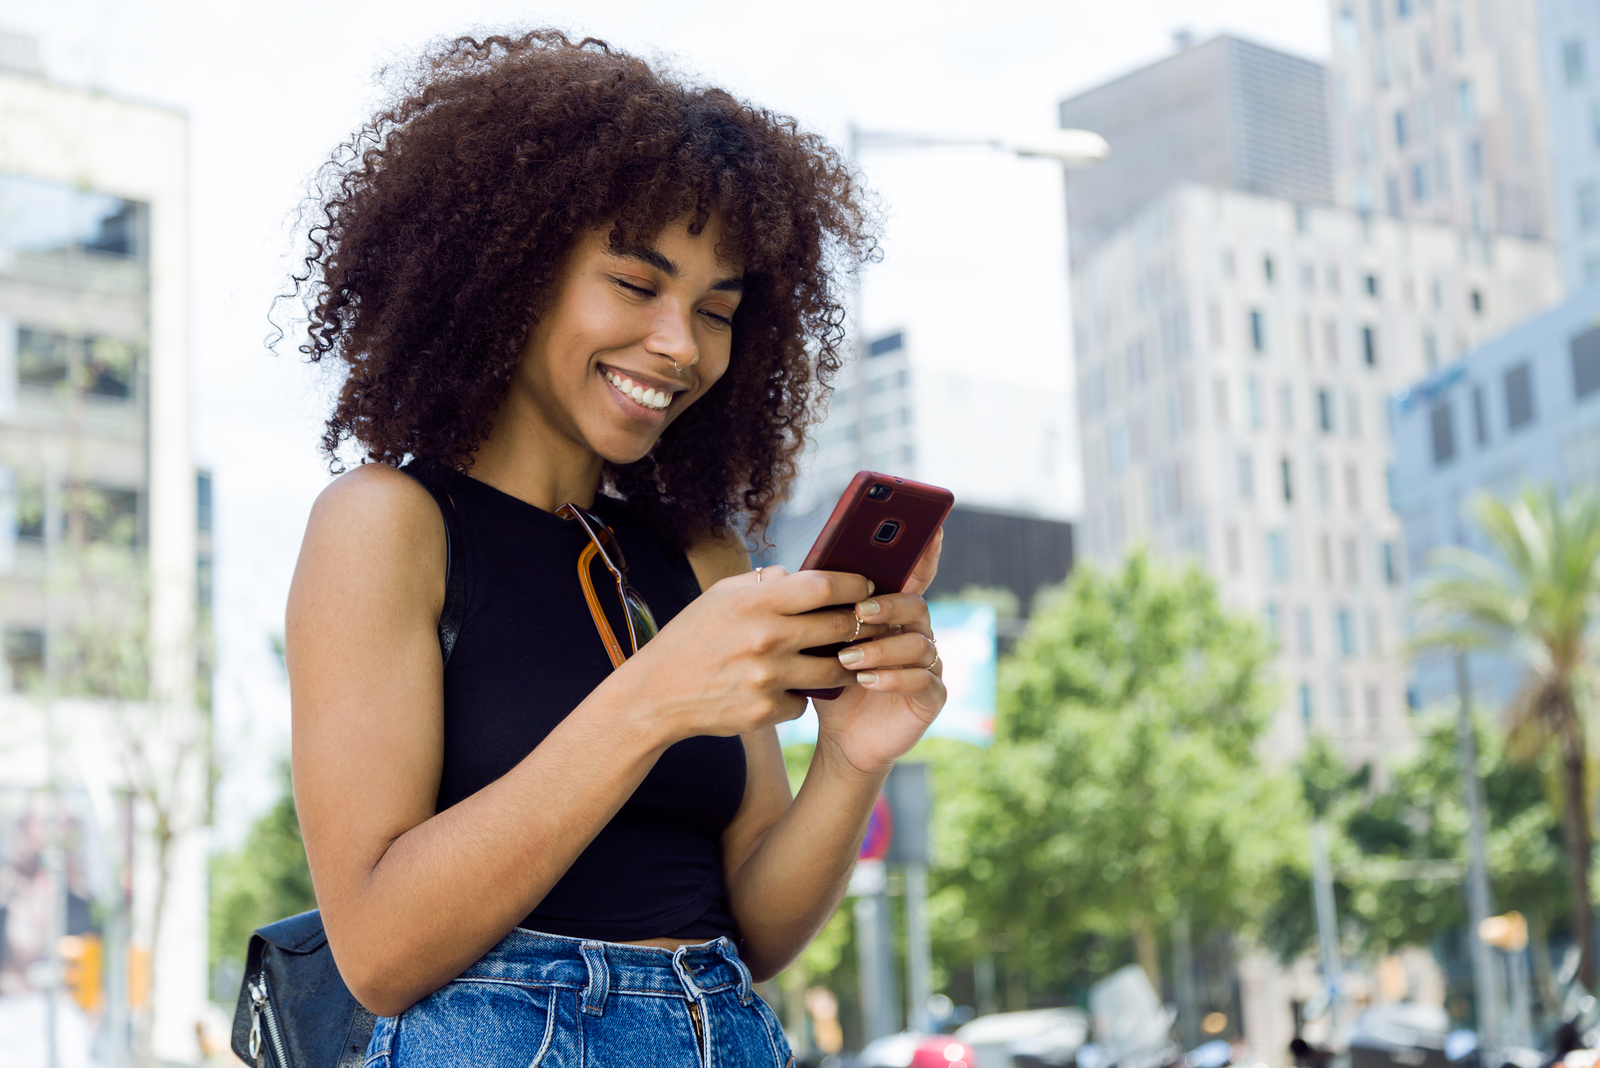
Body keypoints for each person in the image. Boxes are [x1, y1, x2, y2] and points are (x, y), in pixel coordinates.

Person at [283, 30, 948, 1066]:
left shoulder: (700, 559)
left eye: (716, 311)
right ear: (512, 271)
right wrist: (654, 697)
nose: (680, 345)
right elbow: (377, 951)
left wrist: (852, 758)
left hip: (719, 1029)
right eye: (637, 286)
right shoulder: (386, 525)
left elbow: (757, 929)